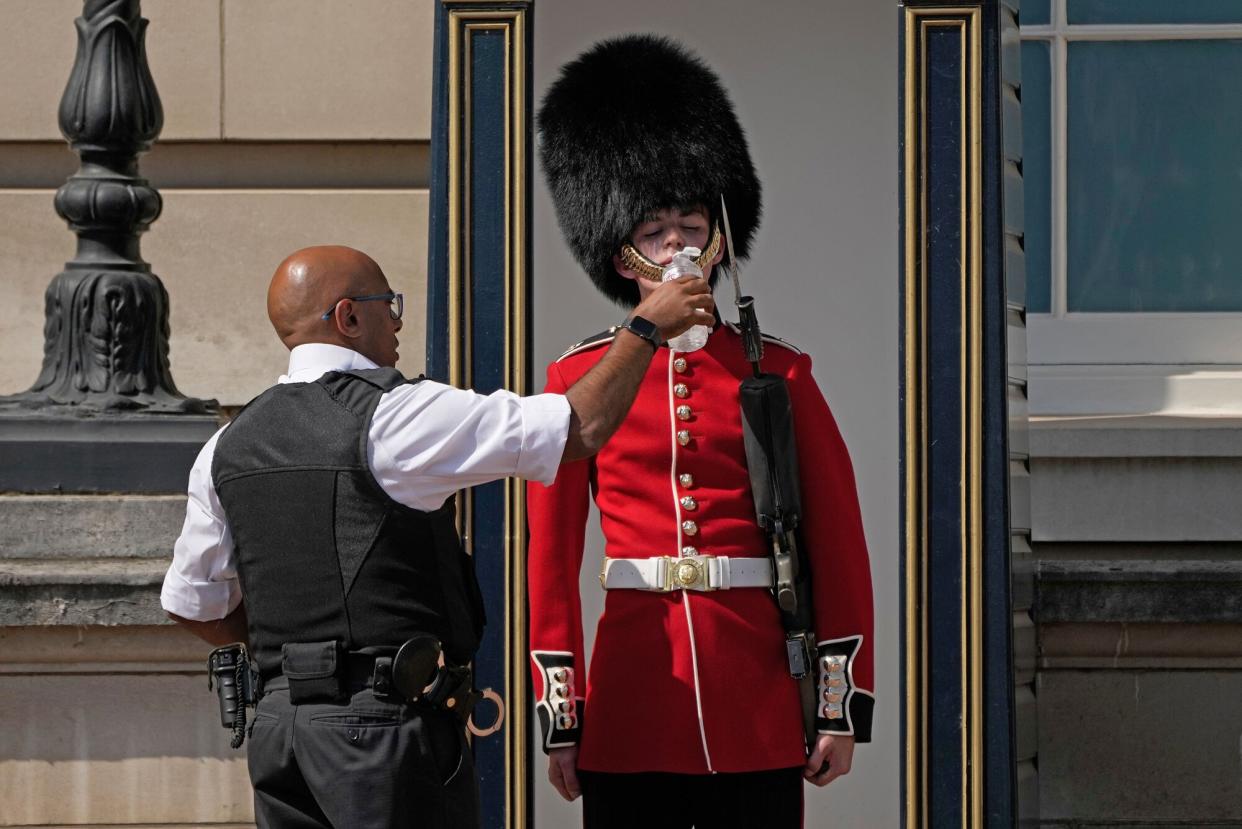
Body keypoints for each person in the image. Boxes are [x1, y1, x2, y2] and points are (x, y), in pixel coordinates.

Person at [160, 244, 714, 829]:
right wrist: (646, 327)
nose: (398, 322)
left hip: (279, 733)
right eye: (388, 306)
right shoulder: (399, 416)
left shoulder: (226, 444)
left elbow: (192, 603)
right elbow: (579, 427)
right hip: (382, 735)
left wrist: (299, 657)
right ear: (349, 317)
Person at [527, 35, 876, 828]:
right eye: (657, 233)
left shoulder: (780, 371)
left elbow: (839, 544)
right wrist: (564, 714)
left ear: (719, 242)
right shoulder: (577, 379)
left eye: (691, 226)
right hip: (634, 691)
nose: (679, 245)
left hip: (752, 691)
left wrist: (836, 704)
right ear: (624, 255)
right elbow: (550, 560)